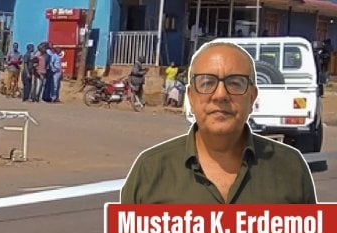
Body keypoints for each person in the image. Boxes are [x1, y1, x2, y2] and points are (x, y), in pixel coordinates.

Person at [120, 41, 317, 205]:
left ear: (252, 97)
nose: (220, 95)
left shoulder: (291, 168)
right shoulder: (150, 171)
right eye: (207, 83)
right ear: (191, 97)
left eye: (235, 83)